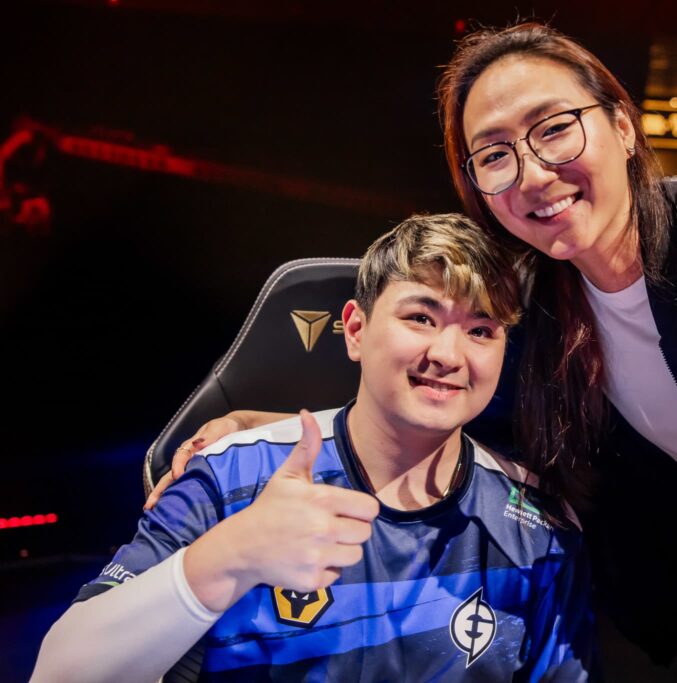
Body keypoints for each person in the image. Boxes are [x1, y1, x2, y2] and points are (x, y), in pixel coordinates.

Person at [153, 23, 677, 681]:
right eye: (493, 155)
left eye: (554, 129)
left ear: (623, 126)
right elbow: (446, 414)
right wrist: (263, 425)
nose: (531, 172)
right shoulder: (535, 315)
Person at [32, 213, 594, 682]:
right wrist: (232, 554)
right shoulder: (236, 474)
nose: (448, 353)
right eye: (420, 317)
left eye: (481, 330)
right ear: (355, 330)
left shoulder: (536, 526)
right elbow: (60, 671)